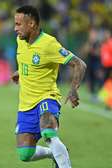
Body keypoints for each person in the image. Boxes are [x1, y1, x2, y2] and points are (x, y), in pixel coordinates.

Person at [11, 5, 86, 168]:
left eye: (18, 24)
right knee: (25, 154)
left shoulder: (49, 44)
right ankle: (56, 152)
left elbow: (79, 64)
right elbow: (29, 60)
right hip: (25, 104)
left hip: (46, 97)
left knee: (48, 132)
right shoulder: (20, 40)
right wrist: (20, 72)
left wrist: (73, 89)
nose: (15, 28)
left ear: (31, 24)